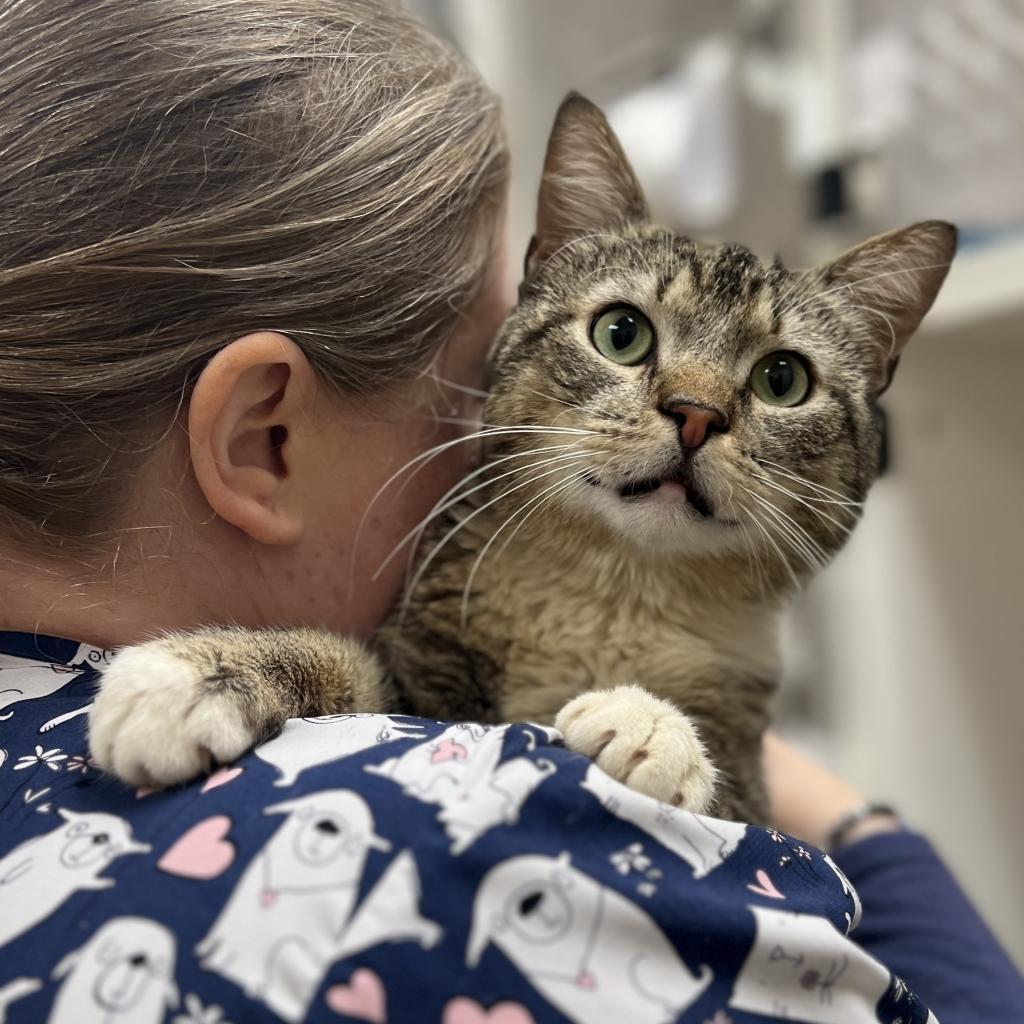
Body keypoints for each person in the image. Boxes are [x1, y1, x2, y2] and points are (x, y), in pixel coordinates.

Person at [0, 2, 1020, 1022]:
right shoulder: (515, 847)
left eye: (784, 378)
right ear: (264, 439)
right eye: (619, 333)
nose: (694, 409)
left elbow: (390, 686)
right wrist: (865, 828)